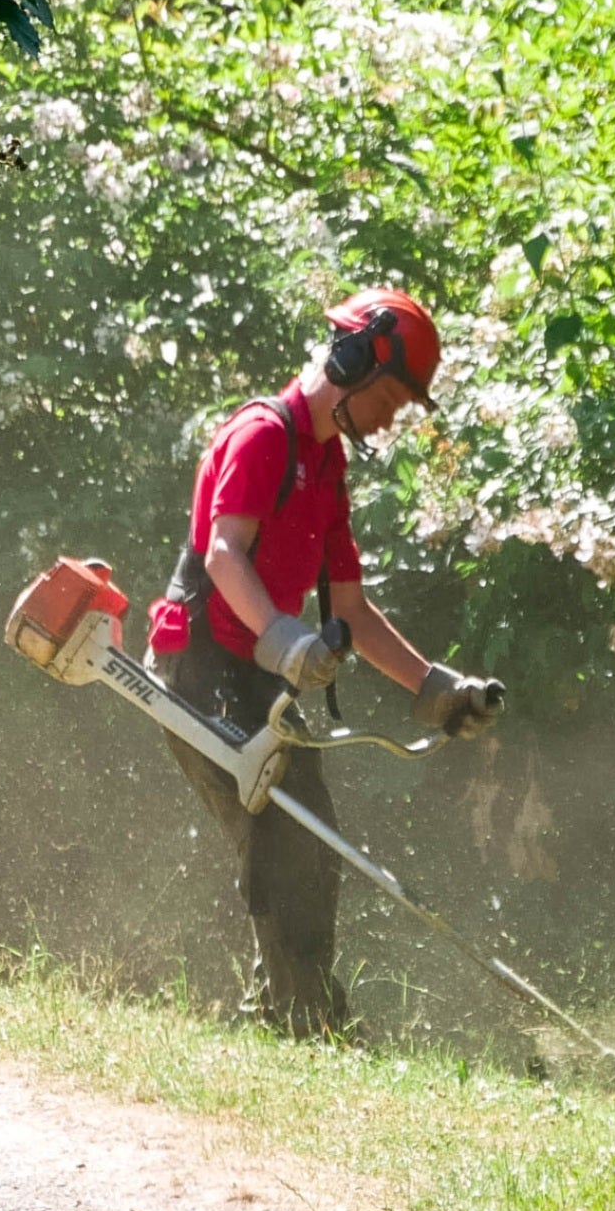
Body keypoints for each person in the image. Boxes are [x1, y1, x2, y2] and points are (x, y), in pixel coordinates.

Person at [145, 287, 503, 1035]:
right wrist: (285, 643)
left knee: (314, 841)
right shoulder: (262, 436)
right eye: (391, 400)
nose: (392, 419)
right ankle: (305, 1024)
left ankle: (283, 1015)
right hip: (201, 672)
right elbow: (222, 554)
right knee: (284, 839)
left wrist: (436, 690)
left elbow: (351, 613)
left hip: (256, 675)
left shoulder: (327, 463)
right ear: (352, 361)